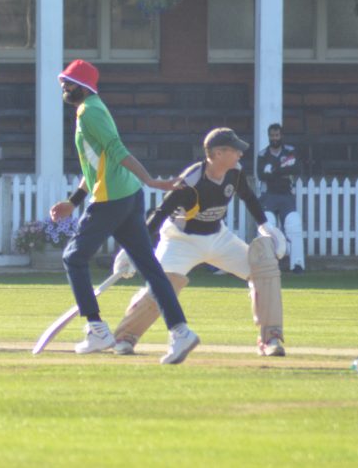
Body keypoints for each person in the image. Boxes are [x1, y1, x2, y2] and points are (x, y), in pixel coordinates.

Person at [48, 60, 199, 365]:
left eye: (69, 82)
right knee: (150, 268)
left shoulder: (89, 112)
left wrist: (151, 180)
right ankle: (181, 331)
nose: (64, 87)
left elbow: (117, 150)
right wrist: (74, 202)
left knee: (73, 257)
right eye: (63, 82)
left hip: (112, 198)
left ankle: (97, 330)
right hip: (128, 196)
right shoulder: (94, 108)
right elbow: (95, 165)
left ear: (84, 86)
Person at [110, 128, 289, 357]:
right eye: (234, 150)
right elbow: (161, 213)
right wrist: (133, 250)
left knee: (263, 268)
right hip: (181, 241)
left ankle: (270, 337)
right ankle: (125, 336)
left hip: (219, 237)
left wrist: (265, 225)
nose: (240, 154)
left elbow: (248, 196)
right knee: (163, 285)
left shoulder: (235, 171)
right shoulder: (191, 180)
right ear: (217, 153)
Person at [257, 122, 305, 273]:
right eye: (272, 136)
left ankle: (297, 265)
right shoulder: (262, 154)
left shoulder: (290, 151)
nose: (274, 138)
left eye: (277, 135)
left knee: (294, 223)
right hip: (269, 196)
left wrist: (274, 170)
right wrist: (283, 168)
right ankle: (267, 264)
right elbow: (262, 175)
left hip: (286, 195)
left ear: (281, 135)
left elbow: (296, 168)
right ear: (268, 136)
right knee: (267, 224)